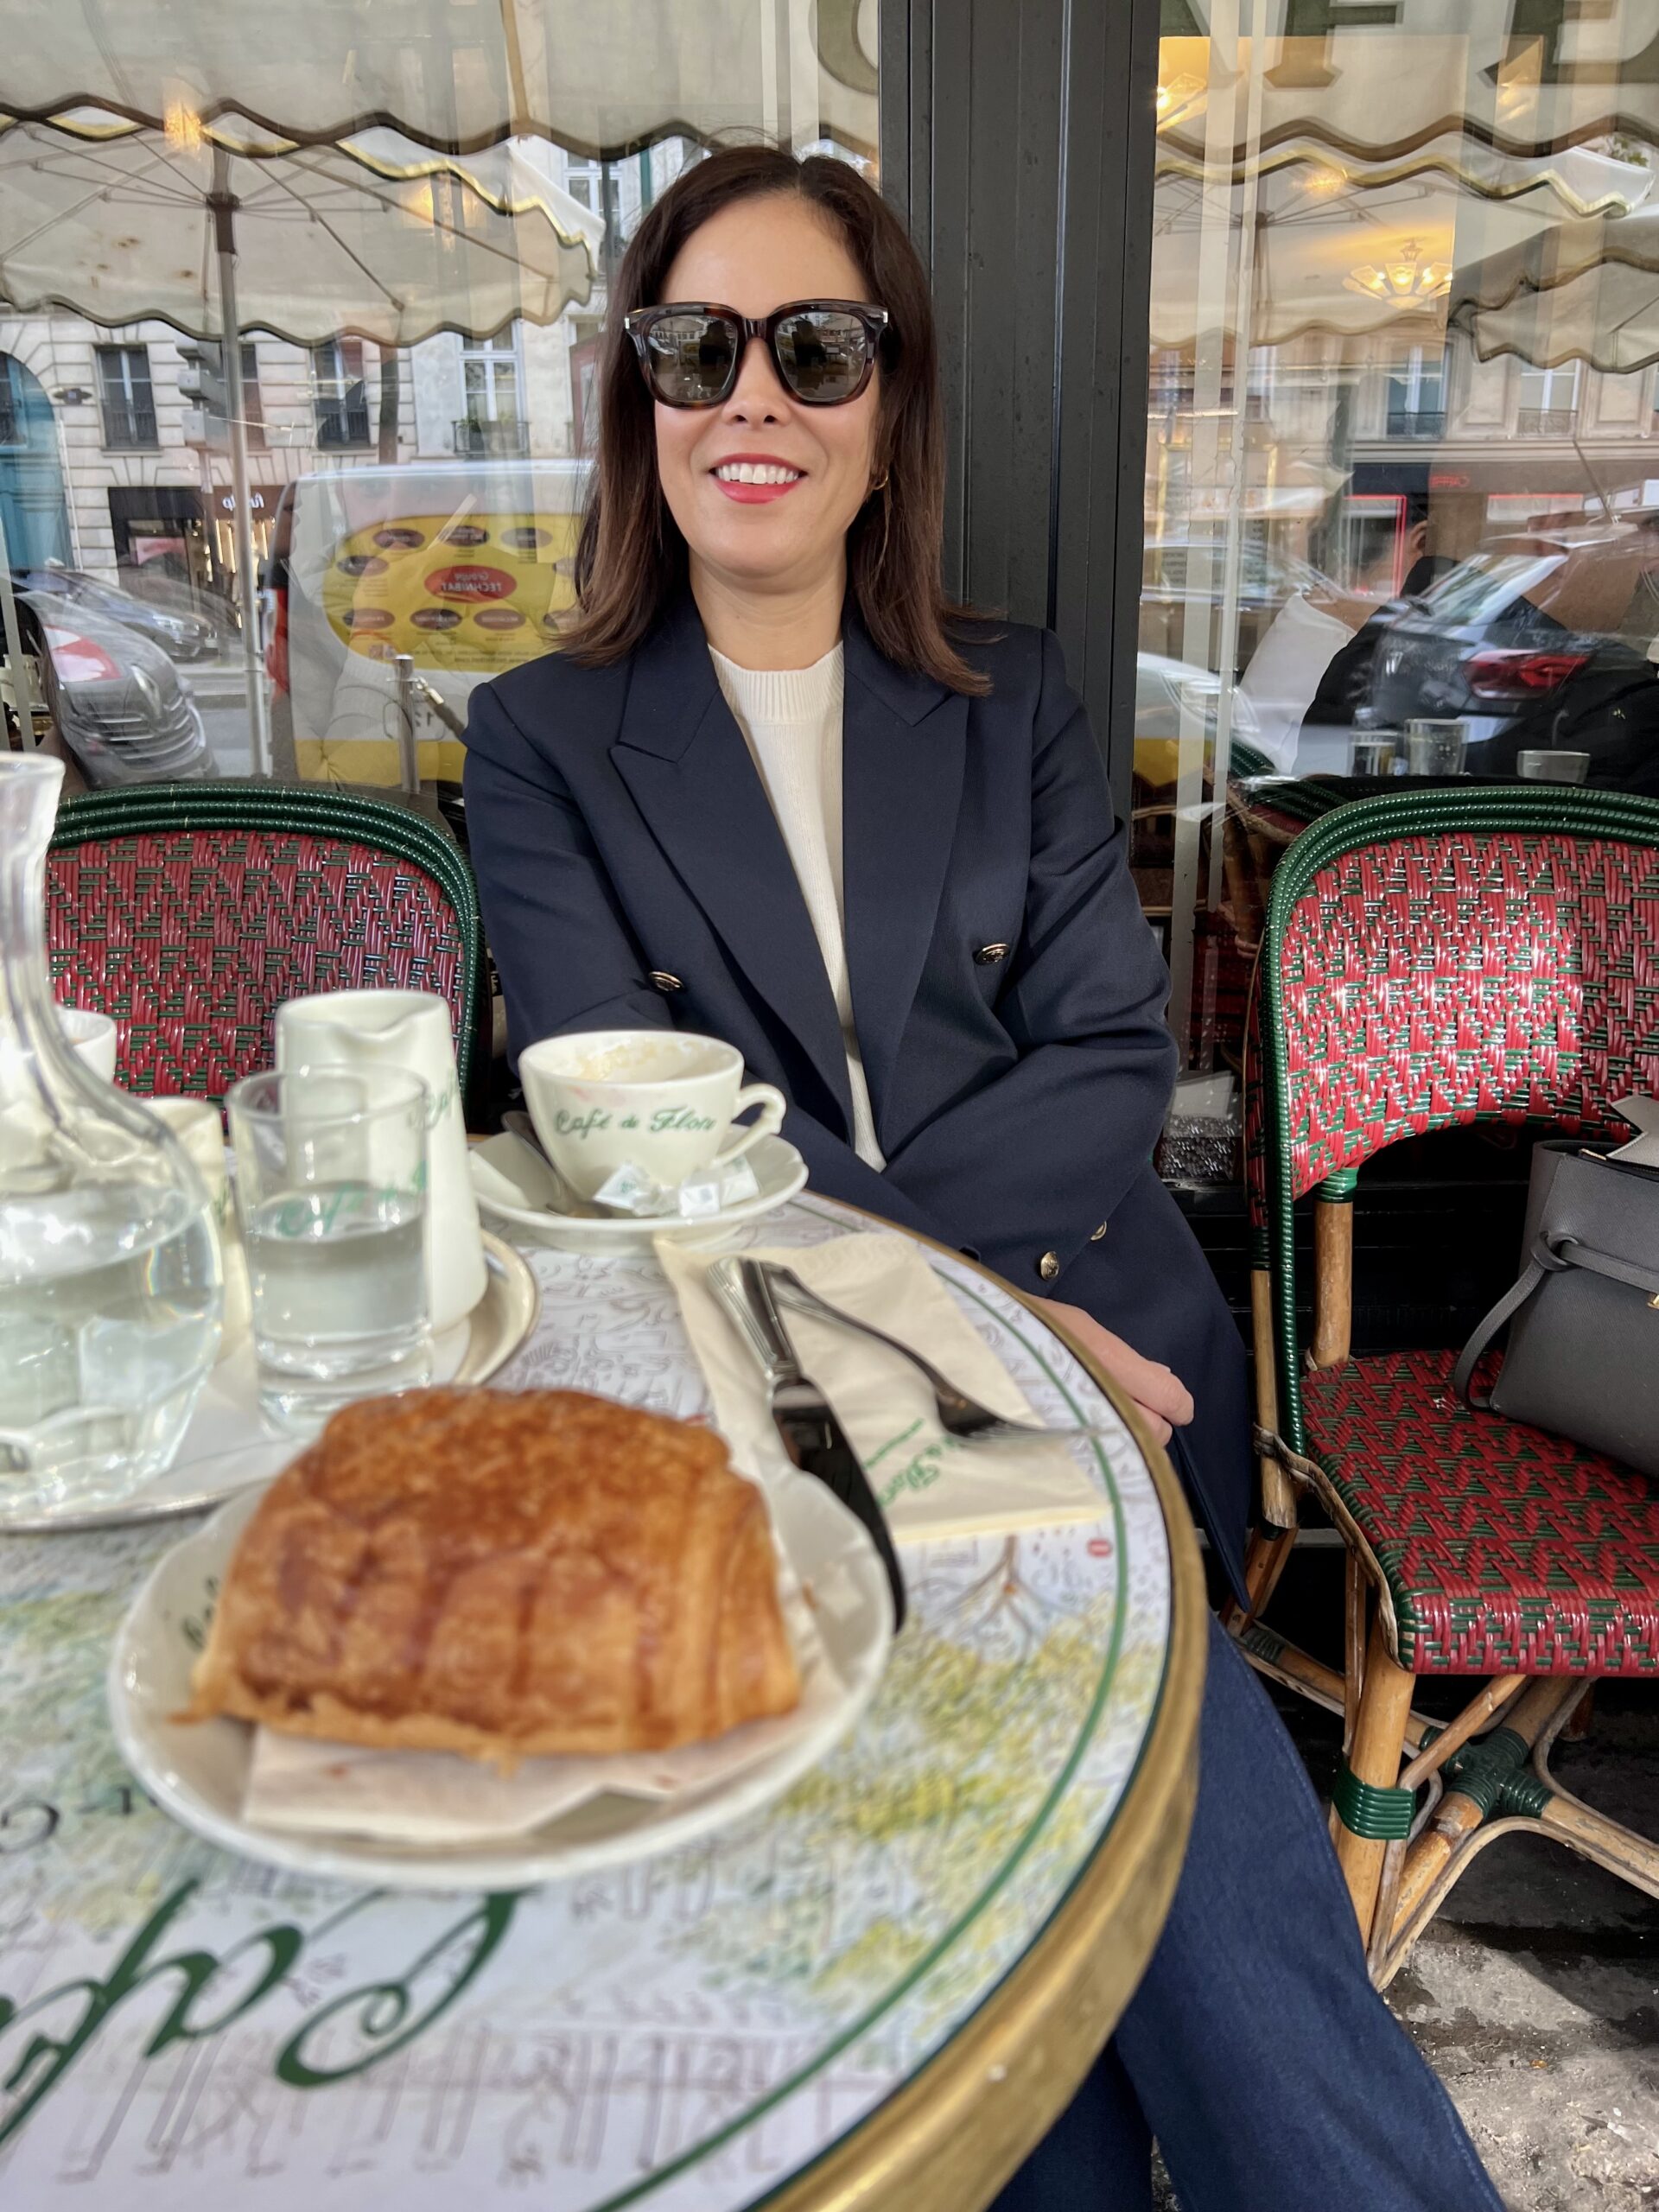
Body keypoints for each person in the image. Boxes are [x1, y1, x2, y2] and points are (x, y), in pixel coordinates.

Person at [463, 145, 1503, 2211]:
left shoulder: (1015, 694)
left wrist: (1001, 1324)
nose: (751, 396)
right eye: (694, 347)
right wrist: (992, 1322)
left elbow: (1112, 1055)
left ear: (889, 404)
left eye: (814, 347)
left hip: (1099, 1384)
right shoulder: (542, 736)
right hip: (788, 1403)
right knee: (998, 2034)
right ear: (640, 403)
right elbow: (617, 1113)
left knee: (1227, 1956)